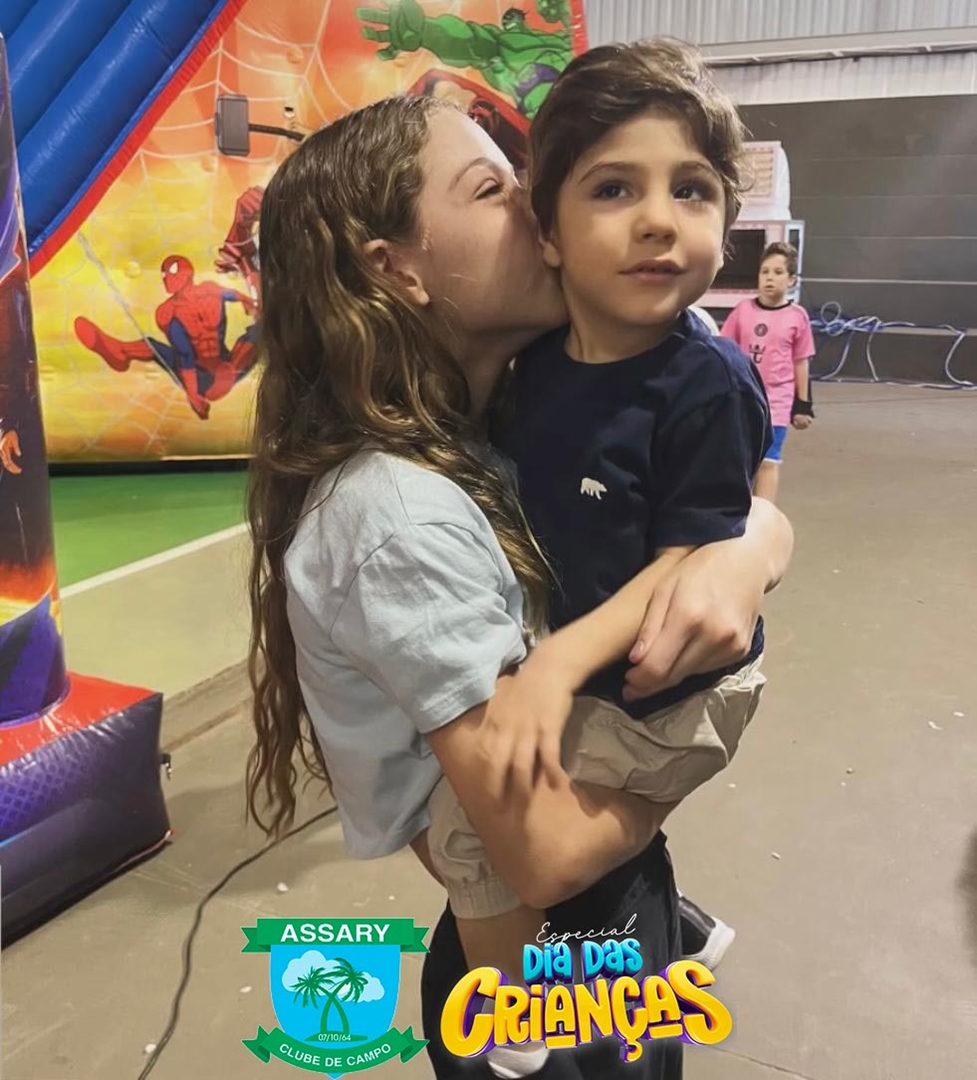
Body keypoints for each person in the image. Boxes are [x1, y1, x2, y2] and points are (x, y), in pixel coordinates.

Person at [246, 93, 794, 1078]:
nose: (533, 206)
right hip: (545, 944)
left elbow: (711, 505)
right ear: (397, 269)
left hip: (604, 909)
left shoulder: (507, 412)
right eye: (492, 188)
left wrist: (747, 547)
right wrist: (673, 775)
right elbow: (540, 852)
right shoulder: (396, 515)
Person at [421, 41, 773, 1072]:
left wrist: (556, 664)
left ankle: (525, 1032)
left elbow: (695, 554)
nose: (659, 219)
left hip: (671, 694)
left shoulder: (706, 383)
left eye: (691, 190)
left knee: (484, 834)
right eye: (614, 189)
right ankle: (677, 928)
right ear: (548, 232)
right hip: (599, 679)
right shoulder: (532, 368)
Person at [721, 241, 816, 502]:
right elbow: (724, 350)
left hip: (777, 400)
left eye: (777, 272)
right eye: (764, 272)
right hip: (743, 398)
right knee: (740, 458)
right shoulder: (742, 311)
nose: (769, 278)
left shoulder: (797, 316)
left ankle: (764, 513)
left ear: (791, 279)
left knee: (769, 460)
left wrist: (803, 404)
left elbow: (800, 361)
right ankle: (737, 509)